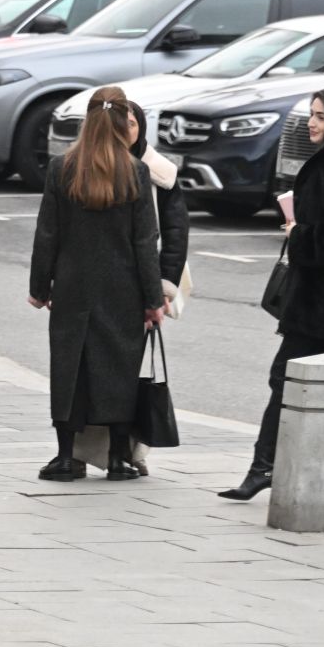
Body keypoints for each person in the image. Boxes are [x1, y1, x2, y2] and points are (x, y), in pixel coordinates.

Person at [221, 86, 324, 501]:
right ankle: (294, 468)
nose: (312, 123)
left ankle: (266, 468)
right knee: (304, 383)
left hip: (322, 298)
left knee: (288, 379)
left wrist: (299, 234)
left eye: (321, 117)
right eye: (312, 115)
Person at [29, 86, 165, 483]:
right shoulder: (135, 170)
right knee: (119, 368)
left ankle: (66, 457)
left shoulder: (62, 167)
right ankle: (119, 457)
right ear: (125, 122)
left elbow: (47, 234)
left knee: (70, 368)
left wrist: (40, 287)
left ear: (87, 120)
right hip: (124, 288)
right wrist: (153, 298)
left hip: (72, 286)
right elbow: (145, 242)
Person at [75, 99, 189, 477]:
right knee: (94, 368)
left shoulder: (159, 173)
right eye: (120, 124)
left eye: (133, 125)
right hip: (103, 286)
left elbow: (174, 234)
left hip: (144, 286)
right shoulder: (88, 168)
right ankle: (89, 449)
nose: (126, 132)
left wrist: (163, 287)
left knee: (132, 371)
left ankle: (130, 450)